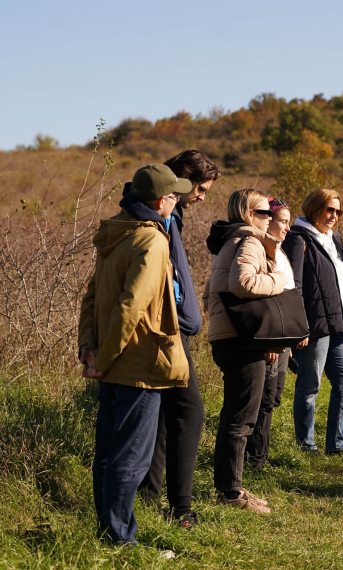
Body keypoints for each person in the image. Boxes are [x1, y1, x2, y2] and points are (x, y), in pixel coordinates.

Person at [78, 164, 192, 544]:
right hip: (138, 364)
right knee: (131, 458)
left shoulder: (115, 232)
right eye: (175, 196)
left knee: (108, 455)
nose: (177, 201)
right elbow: (132, 306)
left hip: (110, 363)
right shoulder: (152, 240)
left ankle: (108, 531)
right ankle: (120, 539)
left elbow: (91, 297)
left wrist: (90, 350)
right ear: (161, 201)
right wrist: (105, 356)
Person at [138, 149, 220, 528]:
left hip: (171, 325)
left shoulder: (174, 216)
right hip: (162, 327)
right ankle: (181, 507)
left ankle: (149, 495)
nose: (203, 196)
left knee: (164, 413)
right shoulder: (156, 217)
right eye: (200, 188)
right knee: (189, 411)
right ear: (182, 181)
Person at [205, 188, 294, 513]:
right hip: (242, 341)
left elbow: (210, 291)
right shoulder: (248, 241)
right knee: (241, 420)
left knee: (236, 416)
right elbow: (242, 284)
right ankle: (231, 493)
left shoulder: (230, 243)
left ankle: (231, 488)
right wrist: (279, 284)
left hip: (229, 337)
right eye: (263, 213)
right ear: (247, 214)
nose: (269, 218)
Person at [283, 188, 343, 458]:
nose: (334, 216)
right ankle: (305, 447)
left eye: (338, 211)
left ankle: (336, 444)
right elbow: (293, 285)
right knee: (310, 385)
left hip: (338, 325)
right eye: (329, 209)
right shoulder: (298, 239)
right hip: (314, 327)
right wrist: (299, 325)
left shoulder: (333, 239)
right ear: (314, 208)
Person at [245, 197, 292, 469]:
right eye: (282, 221)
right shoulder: (259, 250)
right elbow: (265, 297)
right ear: (268, 220)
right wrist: (271, 338)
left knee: (273, 397)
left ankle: (260, 455)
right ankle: (255, 461)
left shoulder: (279, 251)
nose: (287, 228)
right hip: (270, 337)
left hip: (283, 337)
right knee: (263, 399)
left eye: (288, 222)